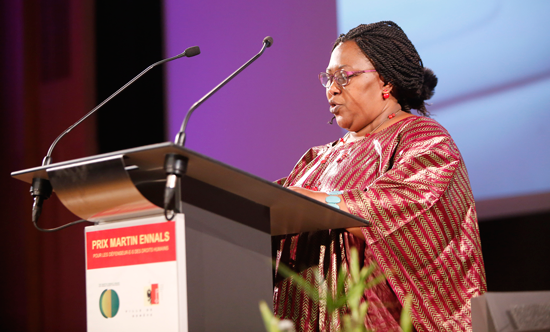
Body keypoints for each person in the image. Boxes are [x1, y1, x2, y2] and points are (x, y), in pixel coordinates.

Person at [273, 21, 487, 332]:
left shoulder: (423, 139)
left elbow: (404, 209)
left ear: (386, 81)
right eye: (329, 78)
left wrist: (319, 203)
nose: (332, 89)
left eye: (344, 76)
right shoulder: (318, 158)